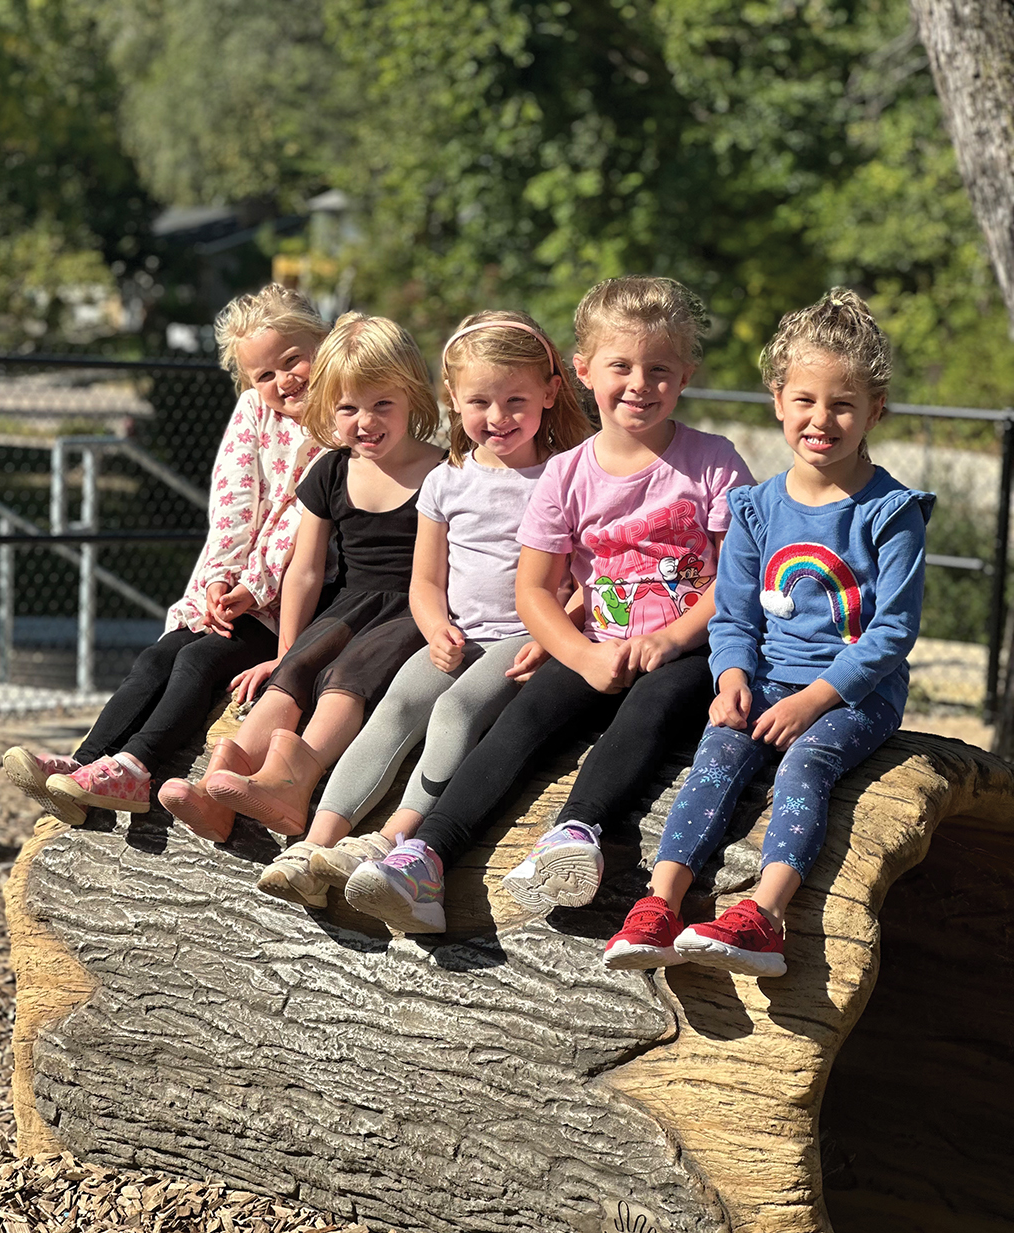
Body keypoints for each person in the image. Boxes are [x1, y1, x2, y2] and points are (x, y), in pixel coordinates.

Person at [344, 275, 754, 934]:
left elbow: (736, 575)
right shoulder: (569, 473)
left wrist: (674, 638)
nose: (639, 383)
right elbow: (534, 590)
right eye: (621, 366)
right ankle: (424, 856)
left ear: (686, 376)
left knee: (649, 710)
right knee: (523, 718)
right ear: (585, 370)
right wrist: (579, 655)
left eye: (659, 369)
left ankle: (576, 830)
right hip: (594, 644)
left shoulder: (712, 462)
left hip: (692, 649)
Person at [603, 288, 934, 977]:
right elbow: (734, 617)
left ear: (875, 410)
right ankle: (661, 904)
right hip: (763, 680)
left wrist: (812, 701)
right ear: (778, 399)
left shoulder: (891, 513)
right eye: (806, 401)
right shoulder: (754, 509)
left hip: (852, 693)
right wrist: (729, 681)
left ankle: (766, 914)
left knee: (806, 763)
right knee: (717, 752)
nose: (822, 420)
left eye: (843, 405)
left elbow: (892, 633)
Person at [257, 309, 592, 907]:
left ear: (550, 390)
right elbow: (426, 581)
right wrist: (435, 626)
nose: (498, 418)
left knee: (456, 710)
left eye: (516, 400)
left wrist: (559, 632)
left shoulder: (568, 474)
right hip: (458, 634)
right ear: (452, 400)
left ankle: (391, 839)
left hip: (525, 637)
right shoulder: (447, 479)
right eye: (480, 402)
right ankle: (315, 844)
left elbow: (589, 571)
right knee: (397, 705)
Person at [2, 283, 330, 833]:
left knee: (198, 663)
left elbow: (299, 523)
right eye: (264, 375)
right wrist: (218, 583)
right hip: (240, 588)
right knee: (160, 656)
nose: (283, 381)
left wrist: (255, 588)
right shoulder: (255, 411)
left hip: (288, 603)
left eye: (293, 360)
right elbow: (232, 500)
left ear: (322, 342)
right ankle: (86, 765)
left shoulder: (342, 418)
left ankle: (137, 767)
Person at [194, 312, 444, 839]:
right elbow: (305, 572)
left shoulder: (440, 472)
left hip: (412, 608)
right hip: (350, 602)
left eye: (382, 405)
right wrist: (285, 652)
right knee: (296, 673)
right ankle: (222, 787)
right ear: (328, 407)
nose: (366, 422)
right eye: (348, 408)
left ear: (412, 399)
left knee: (349, 676)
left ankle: (295, 781)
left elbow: (439, 569)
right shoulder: (331, 468)